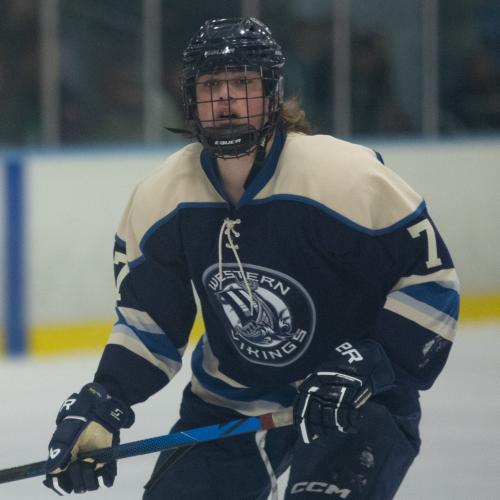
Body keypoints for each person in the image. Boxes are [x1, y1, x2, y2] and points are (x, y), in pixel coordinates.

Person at [43, 17, 460, 499]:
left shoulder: (343, 177)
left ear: (272, 95)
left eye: (242, 83)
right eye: (211, 86)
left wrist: (364, 364)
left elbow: (430, 281)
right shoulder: (161, 198)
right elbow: (149, 322)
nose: (225, 99)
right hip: (232, 400)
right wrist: (104, 399)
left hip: (355, 398)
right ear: (190, 99)